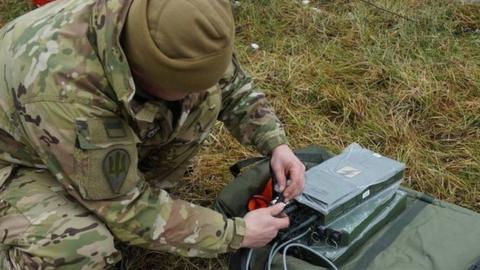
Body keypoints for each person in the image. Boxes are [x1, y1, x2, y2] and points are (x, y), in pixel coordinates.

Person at [0, 0, 306, 269]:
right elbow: (126, 209)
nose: (198, 92)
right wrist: (236, 234)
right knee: (80, 248)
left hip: (60, 136)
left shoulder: (172, 22)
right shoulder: (69, 92)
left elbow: (231, 85)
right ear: (146, 73)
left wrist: (276, 144)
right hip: (15, 159)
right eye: (187, 85)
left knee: (206, 99)